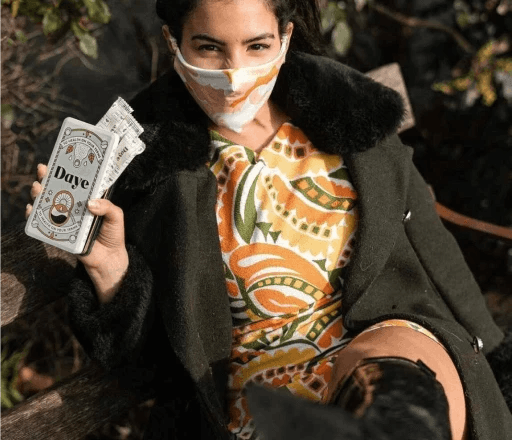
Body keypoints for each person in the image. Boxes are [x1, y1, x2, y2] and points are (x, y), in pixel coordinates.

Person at [26, 0, 512, 439]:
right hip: (258, 398)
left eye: (256, 45)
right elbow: (153, 363)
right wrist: (112, 269)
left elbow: (431, 244)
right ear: (174, 42)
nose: (235, 72)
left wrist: (493, 354)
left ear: (285, 38)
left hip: (389, 347)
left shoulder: (346, 111)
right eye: (209, 47)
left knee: (392, 400)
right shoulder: (142, 166)